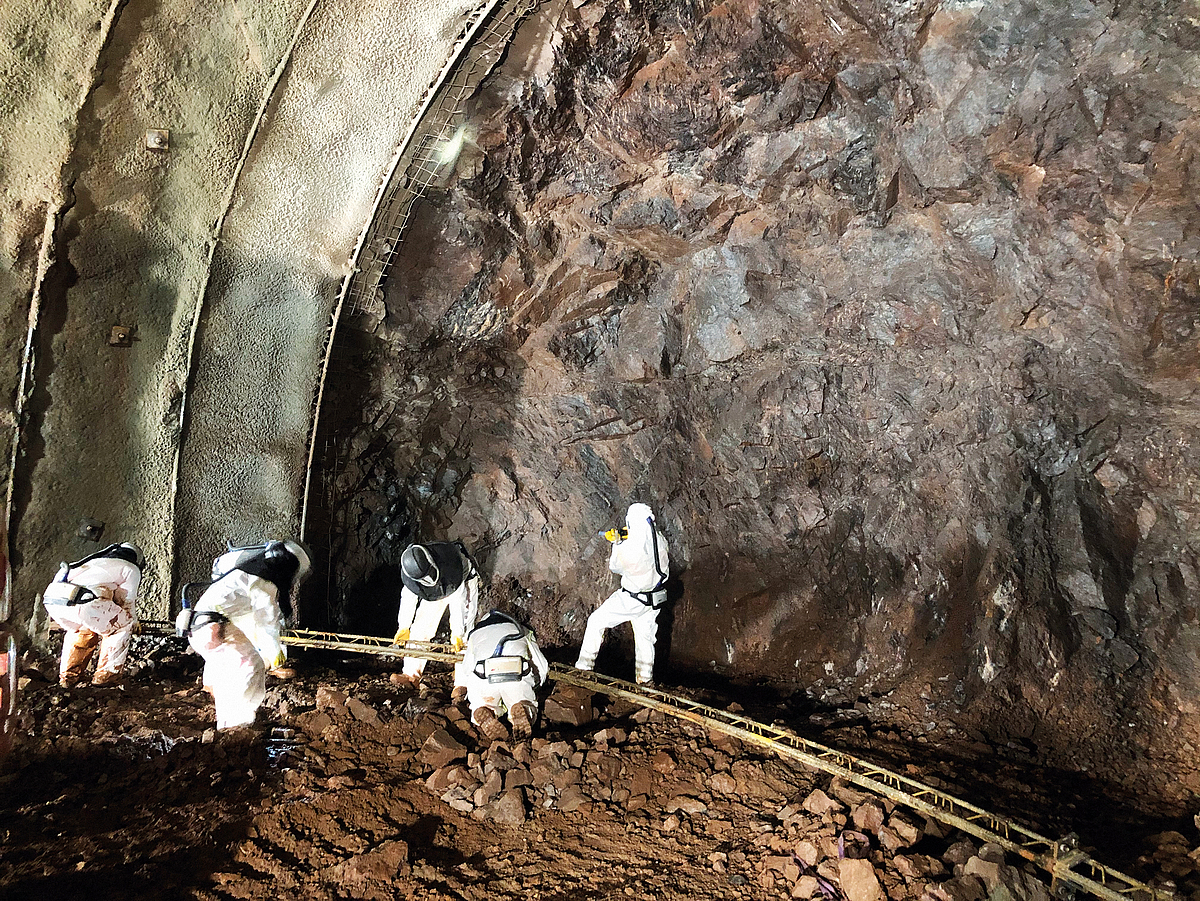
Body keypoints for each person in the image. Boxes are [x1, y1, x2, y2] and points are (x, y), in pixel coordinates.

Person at [176, 540, 310, 730]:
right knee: (250, 665)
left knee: (230, 671)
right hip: (213, 628)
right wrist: (275, 656)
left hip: (202, 629)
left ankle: (225, 725)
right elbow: (267, 618)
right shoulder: (264, 579)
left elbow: (250, 622)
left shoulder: (246, 574)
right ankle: (237, 729)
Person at [575, 503, 669, 684]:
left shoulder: (632, 548)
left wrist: (618, 544)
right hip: (653, 601)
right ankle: (645, 681)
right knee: (645, 640)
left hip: (632, 599)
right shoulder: (660, 540)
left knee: (596, 621)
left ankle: (584, 668)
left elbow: (615, 567)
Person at [42, 542, 143, 687]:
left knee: (81, 630)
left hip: (55, 604)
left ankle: (68, 678)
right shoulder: (130, 568)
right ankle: (107, 677)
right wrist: (133, 622)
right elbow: (125, 602)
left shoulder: (92, 562)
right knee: (121, 626)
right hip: (85, 602)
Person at [393, 541, 479, 685]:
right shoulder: (411, 573)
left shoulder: (450, 564)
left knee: (463, 636)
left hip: (462, 582)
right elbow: (408, 597)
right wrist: (403, 626)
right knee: (420, 629)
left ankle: (462, 683)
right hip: (433, 592)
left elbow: (459, 600)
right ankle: (411, 676)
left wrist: (457, 632)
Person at [453, 610, 547, 740]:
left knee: (480, 704)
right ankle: (522, 708)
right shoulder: (523, 630)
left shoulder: (475, 635)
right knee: (524, 701)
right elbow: (543, 666)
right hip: (516, 675)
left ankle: (485, 710)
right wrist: (536, 684)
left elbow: (467, 669)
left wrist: (470, 690)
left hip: (484, 678)